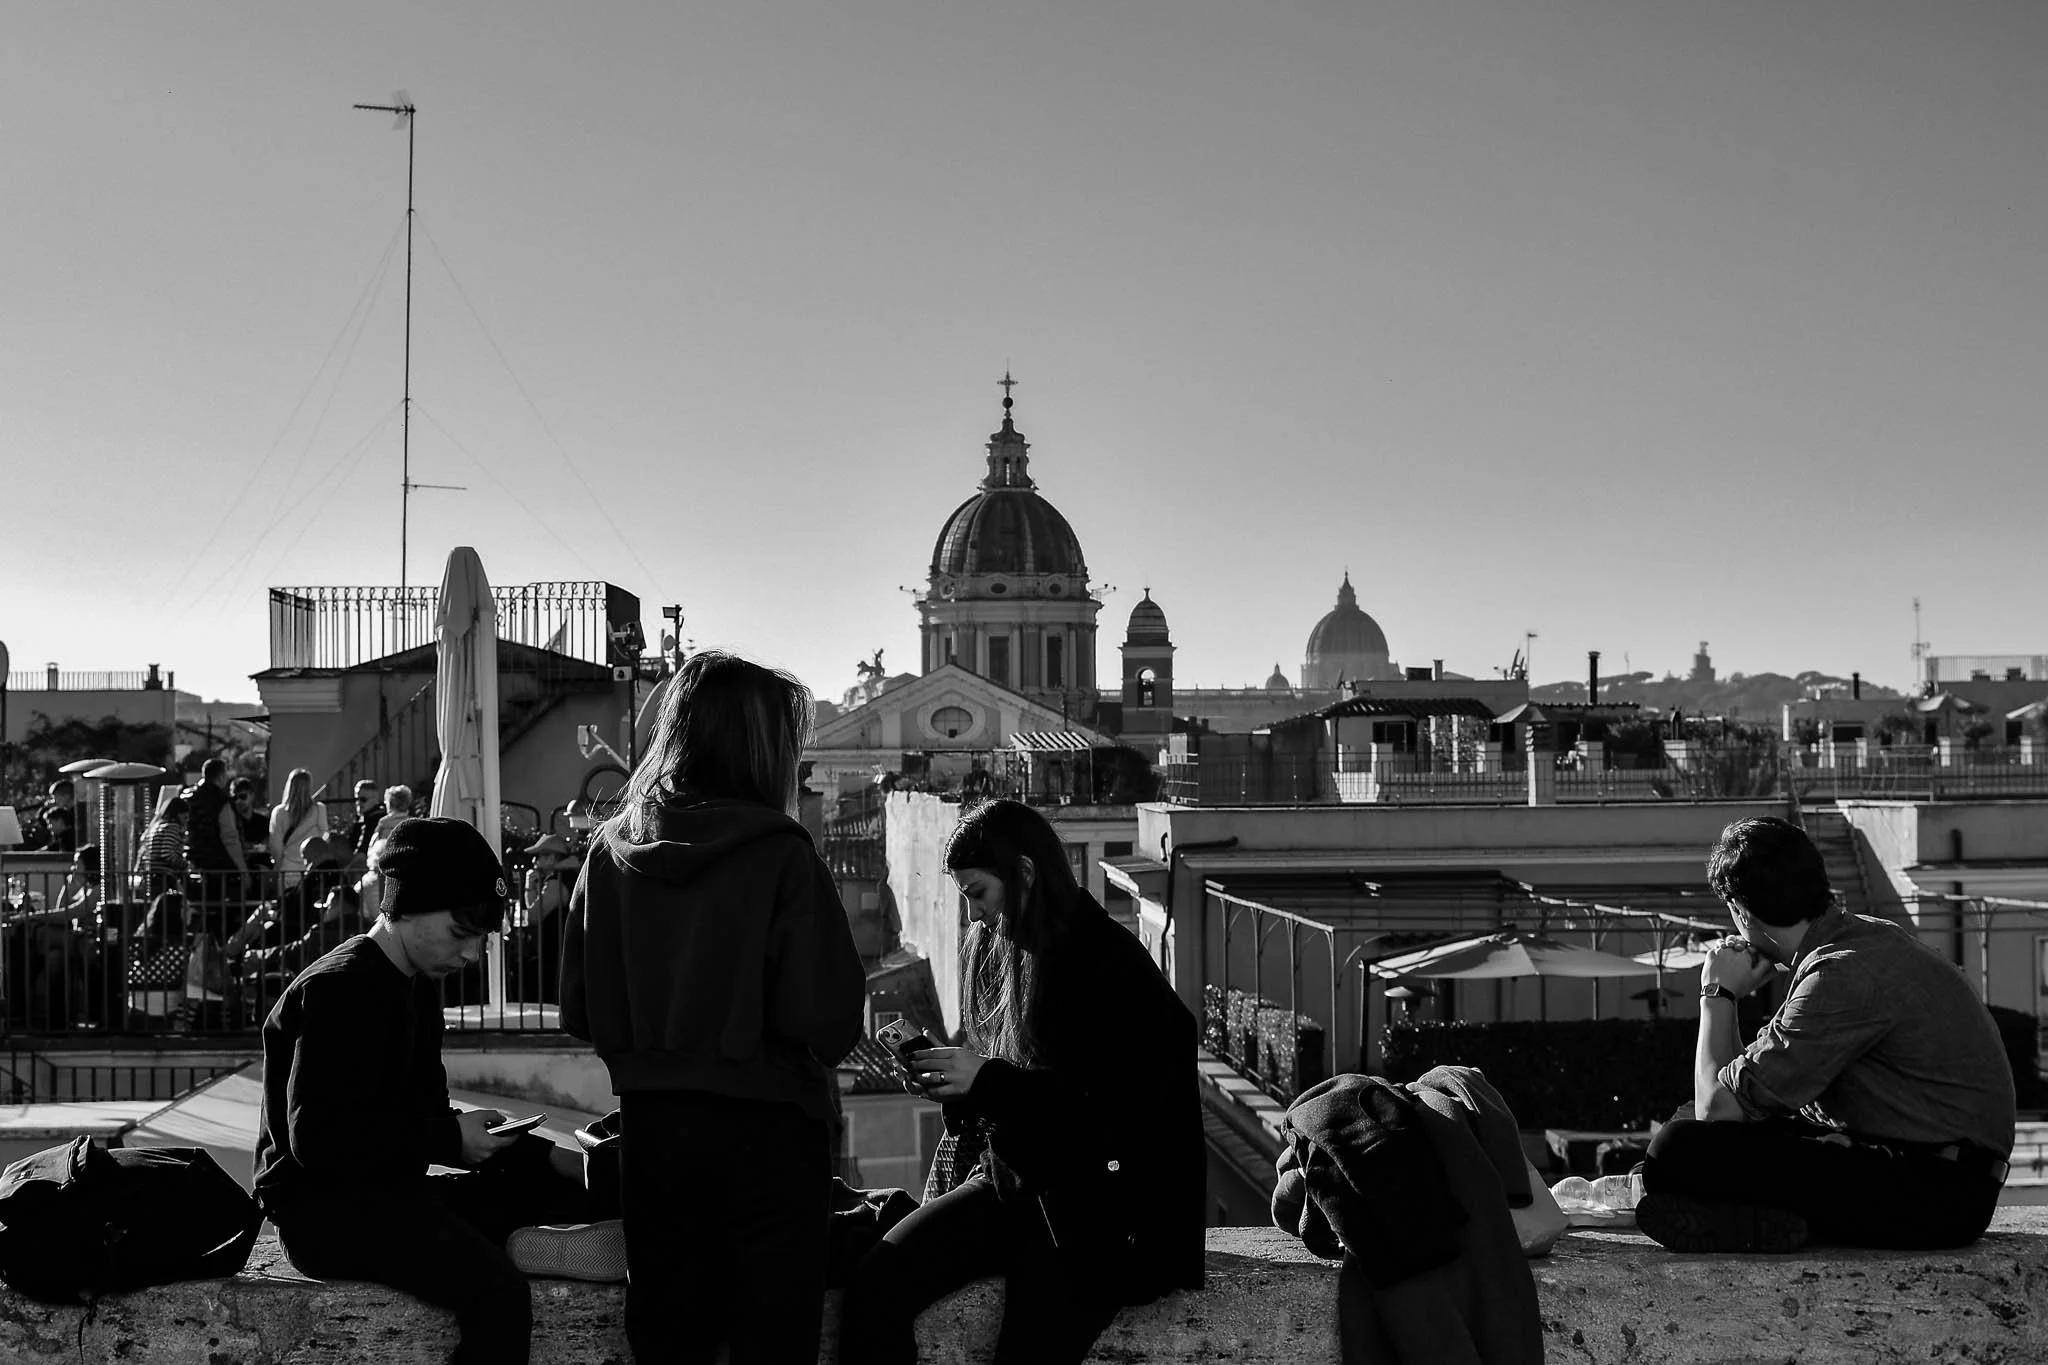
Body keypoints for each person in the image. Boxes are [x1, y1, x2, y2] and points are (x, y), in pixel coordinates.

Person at [559, 650, 866, 1365]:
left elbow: (579, 1005)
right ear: (762, 749)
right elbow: (829, 1022)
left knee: (668, 1340)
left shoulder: (610, 852)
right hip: (771, 1138)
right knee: (772, 1346)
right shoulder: (783, 857)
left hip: (657, 1136)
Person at [838, 799, 1206, 1365]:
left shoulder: (1109, 962)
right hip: (1010, 1182)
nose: (973, 916)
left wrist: (987, 1081)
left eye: (979, 894)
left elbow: (1117, 1112)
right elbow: (1003, 1094)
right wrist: (957, 1087)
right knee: (875, 1285)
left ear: (1026, 873)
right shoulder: (991, 948)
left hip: (1094, 1215)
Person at [256, 817, 617, 1365]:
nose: (470, 954)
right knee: (497, 1293)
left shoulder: (417, 989)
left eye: (480, 938)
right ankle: (514, 1243)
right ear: (408, 906)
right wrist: (448, 1137)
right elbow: (319, 1141)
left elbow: (422, 1116)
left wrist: (541, 1154)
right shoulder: (338, 989)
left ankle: (581, 1205)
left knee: (551, 1183)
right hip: (326, 1217)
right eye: (461, 932)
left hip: (387, 1194)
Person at [1636, 816, 2016, 1253]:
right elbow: (1739, 1097)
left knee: (1676, 1151)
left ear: (1741, 910)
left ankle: (1753, 1220)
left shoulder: (1839, 974)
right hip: (1936, 1177)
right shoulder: (1861, 941)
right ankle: (1757, 1222)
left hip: (1937, 1195)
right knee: (1687, 1130)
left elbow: (1718, 1110)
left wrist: (1716, 993)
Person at [184, 758, 250, 926]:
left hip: (196, 864)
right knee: (228, 915)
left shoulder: (189, 797)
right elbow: (230, 838)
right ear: (221, 776)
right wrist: (243, 870)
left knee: (204, 913)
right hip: (222, 866)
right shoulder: (221, 801)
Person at [267, 769, 330, 889]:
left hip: (288, 868)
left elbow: (276, 846)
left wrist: (277, 866)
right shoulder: (319, 810)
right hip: (311, 868)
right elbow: (324, 838)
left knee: (287, 904)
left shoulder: (279, 812)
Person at [136, 784, 191, 900]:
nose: (187, 821)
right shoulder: (172, 827)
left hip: (150, 875)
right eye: (185, 817)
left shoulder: (155, 826)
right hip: (164, 876)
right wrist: (186, 865)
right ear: (177, 814)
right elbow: (166, 853)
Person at [343, 780, 388, 867]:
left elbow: (363, 851)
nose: (358, 803)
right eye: (356, 799)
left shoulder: (376, 819)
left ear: (375, 799)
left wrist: (346, 871)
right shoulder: (363, 818)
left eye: (363, 800)